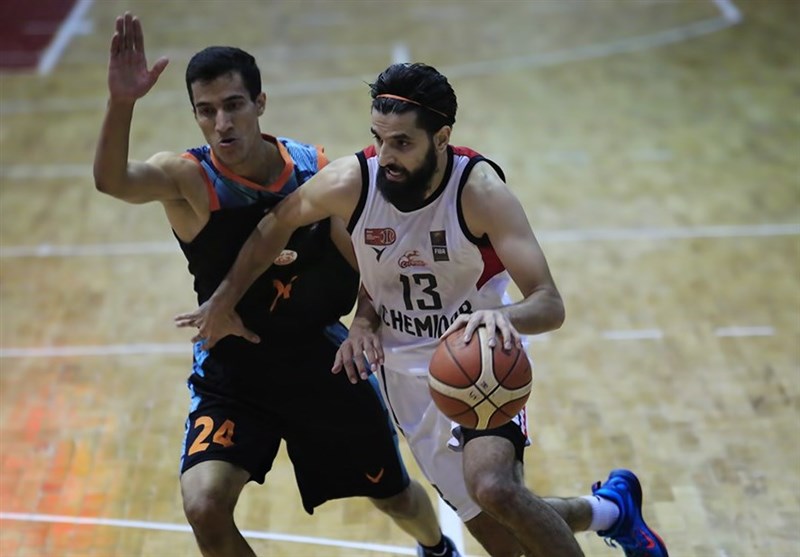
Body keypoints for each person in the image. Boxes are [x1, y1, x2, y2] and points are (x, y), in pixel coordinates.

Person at [175, 62, 670, 557]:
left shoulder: (480, 192)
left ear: (441, 138)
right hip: (409, 378)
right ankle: (611, 510)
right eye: (378, 139)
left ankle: (604, 511)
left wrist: (501, 317)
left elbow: (549, 303)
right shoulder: (352, 180)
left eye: (402, 143)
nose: (385, 156)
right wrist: (230, 299)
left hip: (482, 360)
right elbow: (276, 225)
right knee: (505, 531)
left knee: (495, 487)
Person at [94, 14, 462, 557]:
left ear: (260, 103)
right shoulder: (189, 179)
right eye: (206, 110)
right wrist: (122, 102)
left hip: (323, 363)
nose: (222, 123)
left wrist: (365, 320)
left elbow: (374, 267)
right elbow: (112, 181)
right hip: (234, 373)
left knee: (396, 496)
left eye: (233, 105)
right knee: (203, 505)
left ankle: (436, 548)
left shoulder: (316, 172)